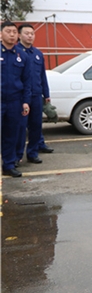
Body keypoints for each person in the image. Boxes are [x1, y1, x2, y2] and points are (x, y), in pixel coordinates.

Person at [16, 24, 54, 164]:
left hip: (36, 95)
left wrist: (46, 93)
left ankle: (32, 153)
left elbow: (42, 75)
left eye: (32, 33)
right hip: (20, 97)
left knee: (36, 125)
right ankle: (17, 156)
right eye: (27, 33)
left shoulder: (38, 54)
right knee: (20, 128)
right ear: (19, 35)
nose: (30, 36)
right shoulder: (15, 52)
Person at [1, 21, 31, 177]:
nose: (12, 34)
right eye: (8, 31)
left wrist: (26, 101)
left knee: (11, 135)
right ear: (1, 34)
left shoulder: (22, 56)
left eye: (14, 31)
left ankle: (8, 164)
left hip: (14, 101)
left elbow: (27, 81)